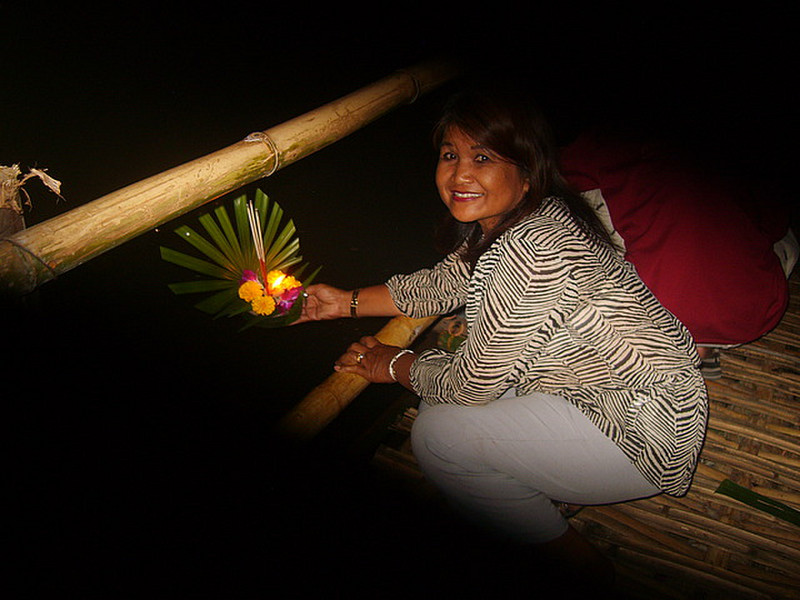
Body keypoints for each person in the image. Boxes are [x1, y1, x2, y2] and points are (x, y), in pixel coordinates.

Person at [297, 89, 709, 587]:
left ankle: (581, 565)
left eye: (484, 157)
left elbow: (472, 385)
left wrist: (391, 363)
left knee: (437, 438)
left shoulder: (526, 252)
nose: (459, 174)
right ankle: (543, 485)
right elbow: (444, 283)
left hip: (643, 431)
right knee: (438, 403)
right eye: (450, 155)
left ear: (527, 170)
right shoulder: (534, 215)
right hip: (635, 396)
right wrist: (345, 302)